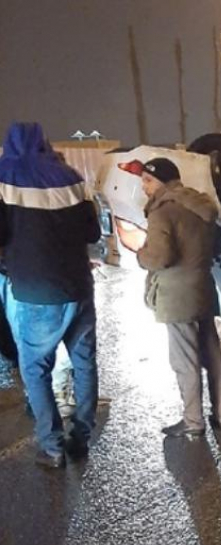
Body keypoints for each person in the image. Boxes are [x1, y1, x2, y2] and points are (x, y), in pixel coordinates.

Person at [0, 122, 101, 468]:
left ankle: (52, 445)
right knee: (85, 364)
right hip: (79, 288)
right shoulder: (70, 176)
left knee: (35, 369)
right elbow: (92, 230)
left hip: (35, 293)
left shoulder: (5, 177)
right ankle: (82, 437)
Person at [136, 157, 221, 438]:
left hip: (176, 296)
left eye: (147, 180)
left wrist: (140, 253)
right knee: (212, 352)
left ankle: (193, 421)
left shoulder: (162, 212)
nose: (144, 187)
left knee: (184, 360)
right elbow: (217, 247)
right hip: (203, 288)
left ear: (162, 181)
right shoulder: (201, 207)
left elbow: (160, 257)